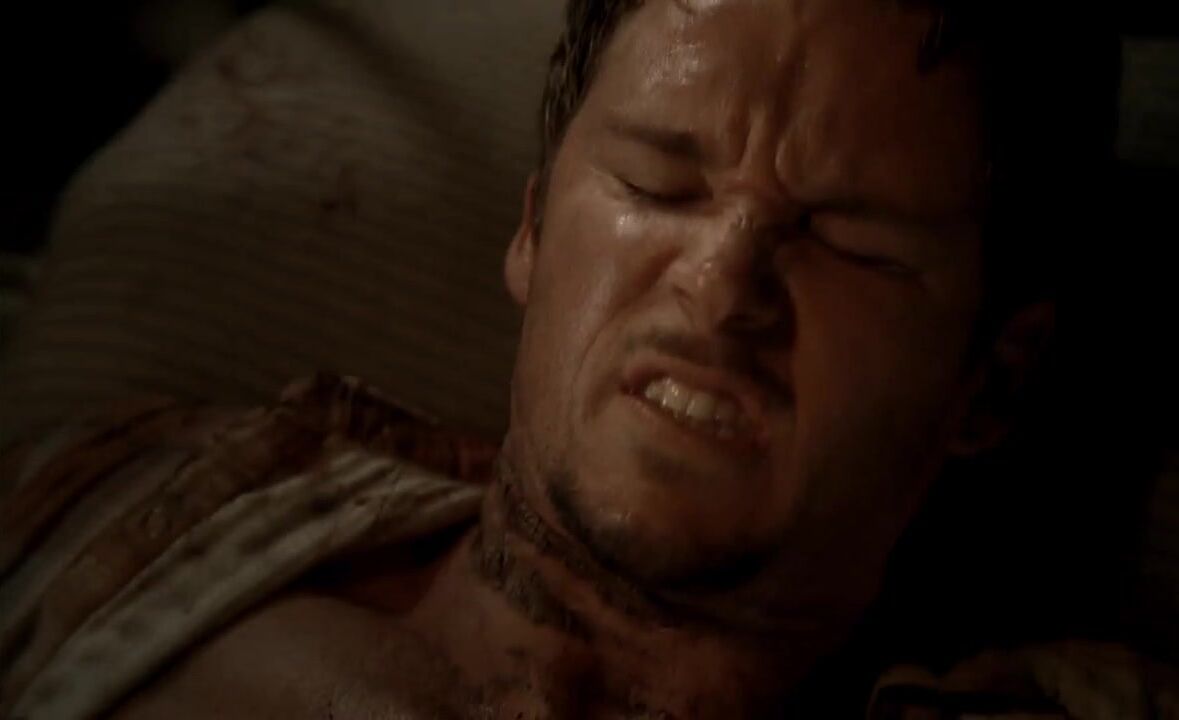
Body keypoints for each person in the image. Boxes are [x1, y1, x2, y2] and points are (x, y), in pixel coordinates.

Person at [4, 0, 1168, 717]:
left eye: (849, 244)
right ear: (531, 228)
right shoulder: (122, 509)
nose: (722, 285)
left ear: (994, 376)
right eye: (660, 184)